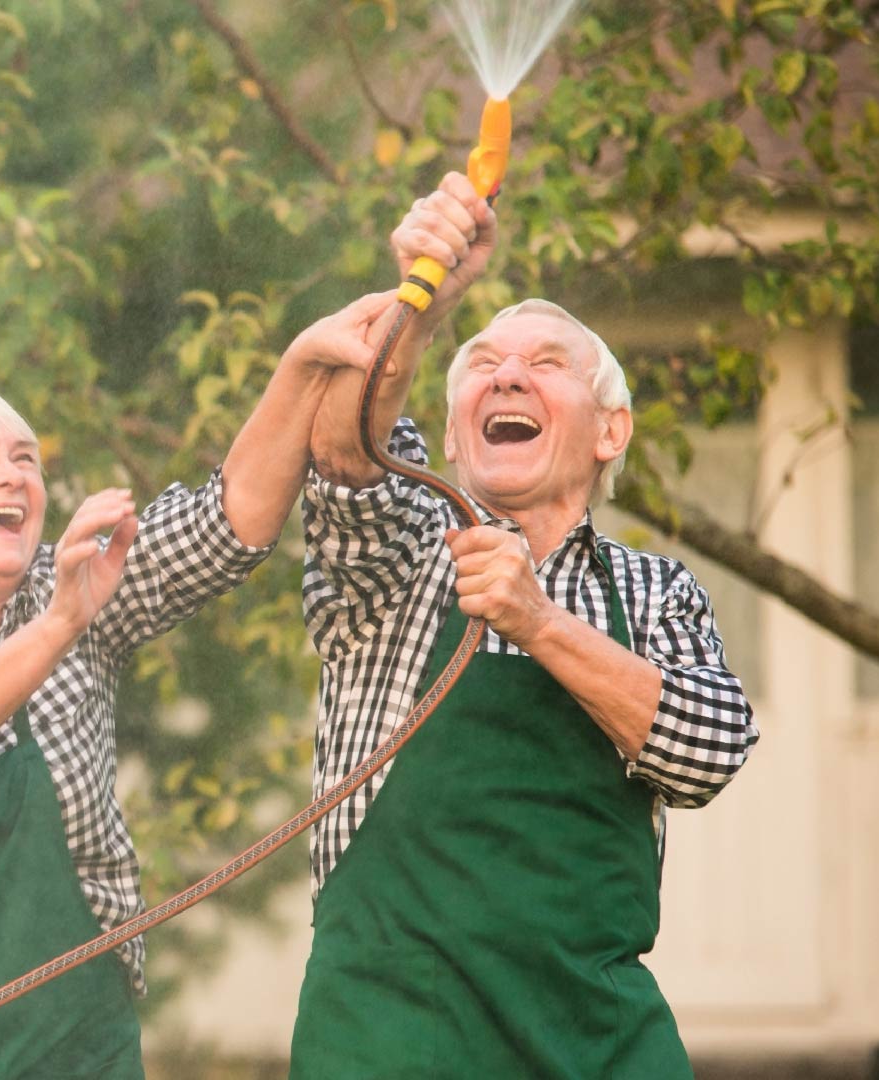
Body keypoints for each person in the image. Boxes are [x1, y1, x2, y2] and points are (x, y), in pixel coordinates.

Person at [0, 269, 408, 1078]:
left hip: (68, 1052)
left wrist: (300, 368)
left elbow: (229, 520)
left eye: (25, 459)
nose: (11, 476)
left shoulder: (74, 581)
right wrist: (60, 626)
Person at [288, 173, 760, 1078]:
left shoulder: (655, 594)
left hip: (590, 1035)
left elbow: (708, 755)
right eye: (482, 362)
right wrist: (425, 299)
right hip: (391, 1036)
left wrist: (536, 621)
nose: (506, 372)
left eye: (545, 363)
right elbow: (345, 452)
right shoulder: (394, 562)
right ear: (459, 437)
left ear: (609, 432)